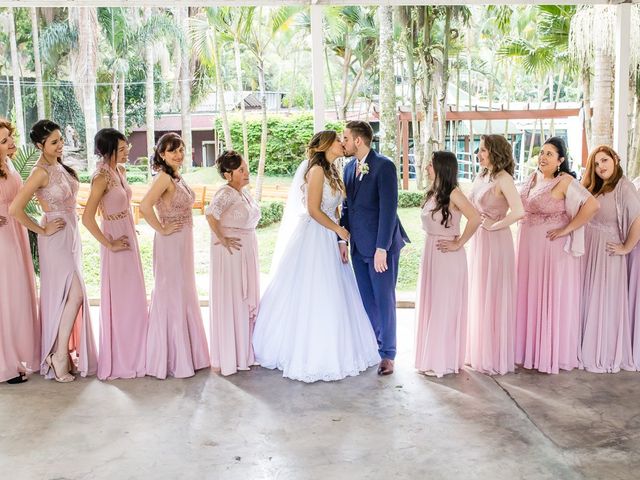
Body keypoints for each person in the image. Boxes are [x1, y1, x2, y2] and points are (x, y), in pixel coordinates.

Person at [253, 130, 380, 383]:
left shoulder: (333, 170)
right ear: (325, 145)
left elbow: (335, 208)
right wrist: (337, 229)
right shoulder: (316, 170)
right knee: (315, 290)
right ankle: (310, 351)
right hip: (314, 237)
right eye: (337, 141)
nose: (342, 144)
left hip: (331, 239)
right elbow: (312, 210)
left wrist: (340, 239)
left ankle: (339, 346)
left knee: (335, 290)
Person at [10, 119, 97, 382]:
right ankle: (57, 355)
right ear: (39, 145)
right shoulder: (39, 172)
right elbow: (15, 209)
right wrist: (41, 229)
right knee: (76, 294)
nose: (60, 145)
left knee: (70, 296)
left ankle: (61, 354)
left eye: (60, 139)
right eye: (54, 142)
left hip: (70, 233)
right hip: (55, 236)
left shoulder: (58, 165)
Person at [515, 137, 599, 374]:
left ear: (561, 160)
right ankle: (527, 350)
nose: (543, 157)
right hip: (527, 247)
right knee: (528, 294)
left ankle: (548, 352)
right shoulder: (532, 178)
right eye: (542, 152)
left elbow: (591, 205)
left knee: (547, 295)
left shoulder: (565, 181)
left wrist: (566, 229)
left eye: (550, 154)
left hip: (551, 250)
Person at [340, 121, 409, 376]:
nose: (342, 142)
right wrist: (342, 240)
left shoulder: (384, 166)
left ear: (359, 140)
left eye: (345, 138)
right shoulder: (348, 168)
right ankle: (374, 346)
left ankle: (388, 354)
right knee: (367, 299)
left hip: (382, 247)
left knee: (384, 299)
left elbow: (389, 209)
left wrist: (382, 247)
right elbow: (348, 207)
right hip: (358, 246)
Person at [140, 132, 209, 379]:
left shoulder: (176, 176)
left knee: (184, 290)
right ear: (161, 154)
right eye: (172, 151)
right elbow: (144, 206)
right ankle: (170, 357)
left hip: (183, 241)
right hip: (170, 241)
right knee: (171, 291)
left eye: (180, 149)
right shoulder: (162, 178)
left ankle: (190, 353)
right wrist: (161, 228)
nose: (178, 155)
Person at [82, 128, 148, 380]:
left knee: (135, 296)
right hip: (115, 242)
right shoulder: (101, 177)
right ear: (108, 151)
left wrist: (129, 228)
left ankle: (139, 351)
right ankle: (124, 358)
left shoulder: (119, 171)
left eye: (126, 146)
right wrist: (109, 243)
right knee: (123, 299)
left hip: (127, 236)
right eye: (121, 149)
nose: (127, 151)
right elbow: (87, 218)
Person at [414, 151, 481, 378]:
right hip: (431, 253)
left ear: (442, 168)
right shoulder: (434, 193)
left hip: (447, 256)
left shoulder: (454, 194)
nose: (426, 168)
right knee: (433, 304)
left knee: (444, 306)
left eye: (430, 165)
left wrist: (459, 242)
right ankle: (431, 356)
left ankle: (442, 360)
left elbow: (475, 218)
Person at [466, 134, 524, 375]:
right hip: (479, 240)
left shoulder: (504, 179)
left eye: (483, 150)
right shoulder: (482, 175)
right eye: (479, 150)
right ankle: (479, 349)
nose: (478, 154)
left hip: (496, 241)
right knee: (480, 292)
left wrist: (495, 225)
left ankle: (494, 354)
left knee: (495, 294)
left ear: (495, 152)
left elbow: (519, 211)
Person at [580, 145, 640, 373]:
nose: (600, 167)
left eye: (604, 161)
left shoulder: (624, 187)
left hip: (608, 252)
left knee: (605, 301)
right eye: (596, 164)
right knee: (589, 298)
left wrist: (626, 247)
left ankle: (604, 351)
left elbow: (637, 219)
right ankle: (586, 346)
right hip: (589, 250)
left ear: (615, 159)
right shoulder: (595, 186)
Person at [206, 151, 261, 376]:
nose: (246, 173)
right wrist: (222, 238)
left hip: (247, 249)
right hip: (231, 254)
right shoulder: (226, 192)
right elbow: (211, 213)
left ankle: (245, 351)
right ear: (228, 175)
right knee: (234, 298)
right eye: (241, 170)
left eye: (245, 168)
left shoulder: (243, 192)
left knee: (244, 297)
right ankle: (231, 355)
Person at [0, 119, 40, 384]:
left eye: (9, 137)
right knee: (5, 297)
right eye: (4, 141)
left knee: (17, 296)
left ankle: (15, 358)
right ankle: (5, 366)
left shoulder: (8, 163)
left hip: (16, 231)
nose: (11, 142)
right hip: (2, 236)